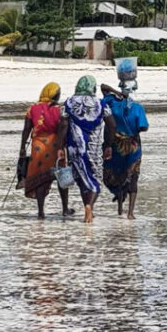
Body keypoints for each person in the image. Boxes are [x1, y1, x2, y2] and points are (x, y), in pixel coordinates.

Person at [17, 82, 72, 219]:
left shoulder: (32, 109)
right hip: (55, 146)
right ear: (55, 95)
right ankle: (65, 209)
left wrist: (22, 147)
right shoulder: (60, 109)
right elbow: (64, 128)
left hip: (38, 147)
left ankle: (41, 212)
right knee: (61, 177)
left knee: (41, 179)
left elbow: (26, 130)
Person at [64, 75, 115, 224]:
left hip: (74, 149)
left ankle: (87, 207)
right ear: (93, 87)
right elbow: (112, 125)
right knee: (95, 179)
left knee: (81, 178)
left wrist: (61, 146)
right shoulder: (101, 105)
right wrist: (108, 145)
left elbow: (62, 125)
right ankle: (89, 206)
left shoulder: (68, 103)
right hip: (93, 149)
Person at [101, 62, 149, 219]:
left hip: (114, 145)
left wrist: (116, 92)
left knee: (117, 175)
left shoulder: (111, 102)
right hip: (133, 148)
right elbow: (143, 127)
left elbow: (103, 87)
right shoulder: (137, 108)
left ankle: (120, 208)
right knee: (133, 177)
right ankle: (130, 213)